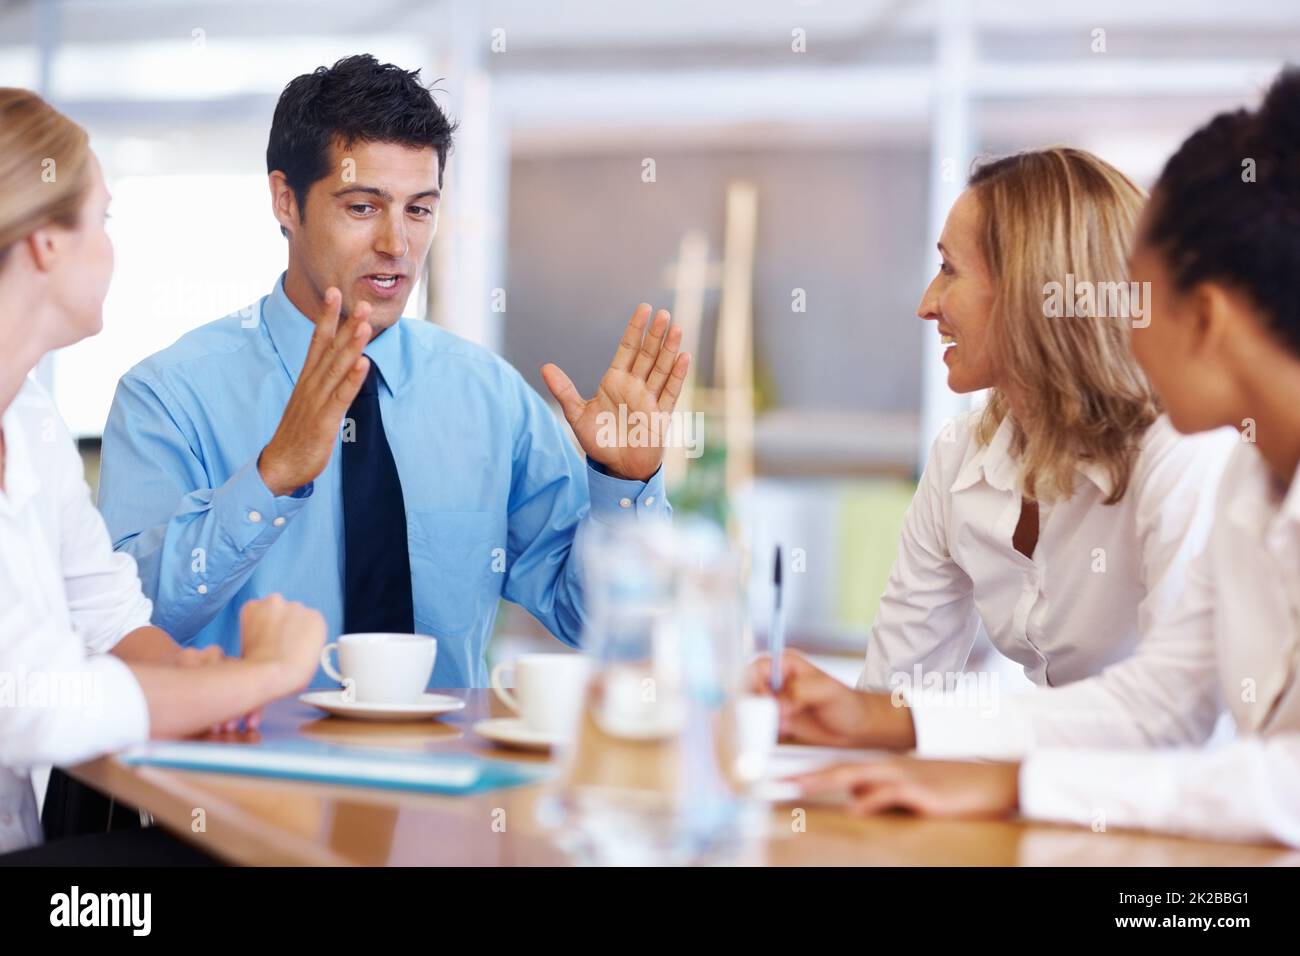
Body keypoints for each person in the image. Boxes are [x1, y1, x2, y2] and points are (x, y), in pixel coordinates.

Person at [789, 67, 1300, 848]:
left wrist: (1008, 780)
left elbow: (1276, 782)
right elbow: (1165, 698)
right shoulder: (1246, 480)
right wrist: (889, 720)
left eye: (1137, 295)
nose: (1113, 320)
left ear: (1204, 318)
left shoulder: (1193, 458)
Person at [97, 55, 690, 688]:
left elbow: (594, 621)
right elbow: (125, 625)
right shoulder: (168, 396)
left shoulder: (489, 400)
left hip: (442, 779)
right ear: (285, 201)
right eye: (362, 207)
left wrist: (623, 487)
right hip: (244, 779)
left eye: (419, 209)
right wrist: (271, 480)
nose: (397, 245)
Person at [753, 147, 1236, 758]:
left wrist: (912, 729)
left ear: (1033, 294)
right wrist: (829, 721)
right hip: (1052, 808)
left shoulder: (1182, 450)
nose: (927, 303)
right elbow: (897, 691)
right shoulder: (961, 457)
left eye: (950, 270)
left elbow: (1178, 714)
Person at [0, 87, 326, 859]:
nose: (112, 248)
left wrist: (196, 675)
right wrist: (265, 675)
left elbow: (106, 614)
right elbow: (40, 703)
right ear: (47, 243)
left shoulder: (31, 421)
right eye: (102, 220)